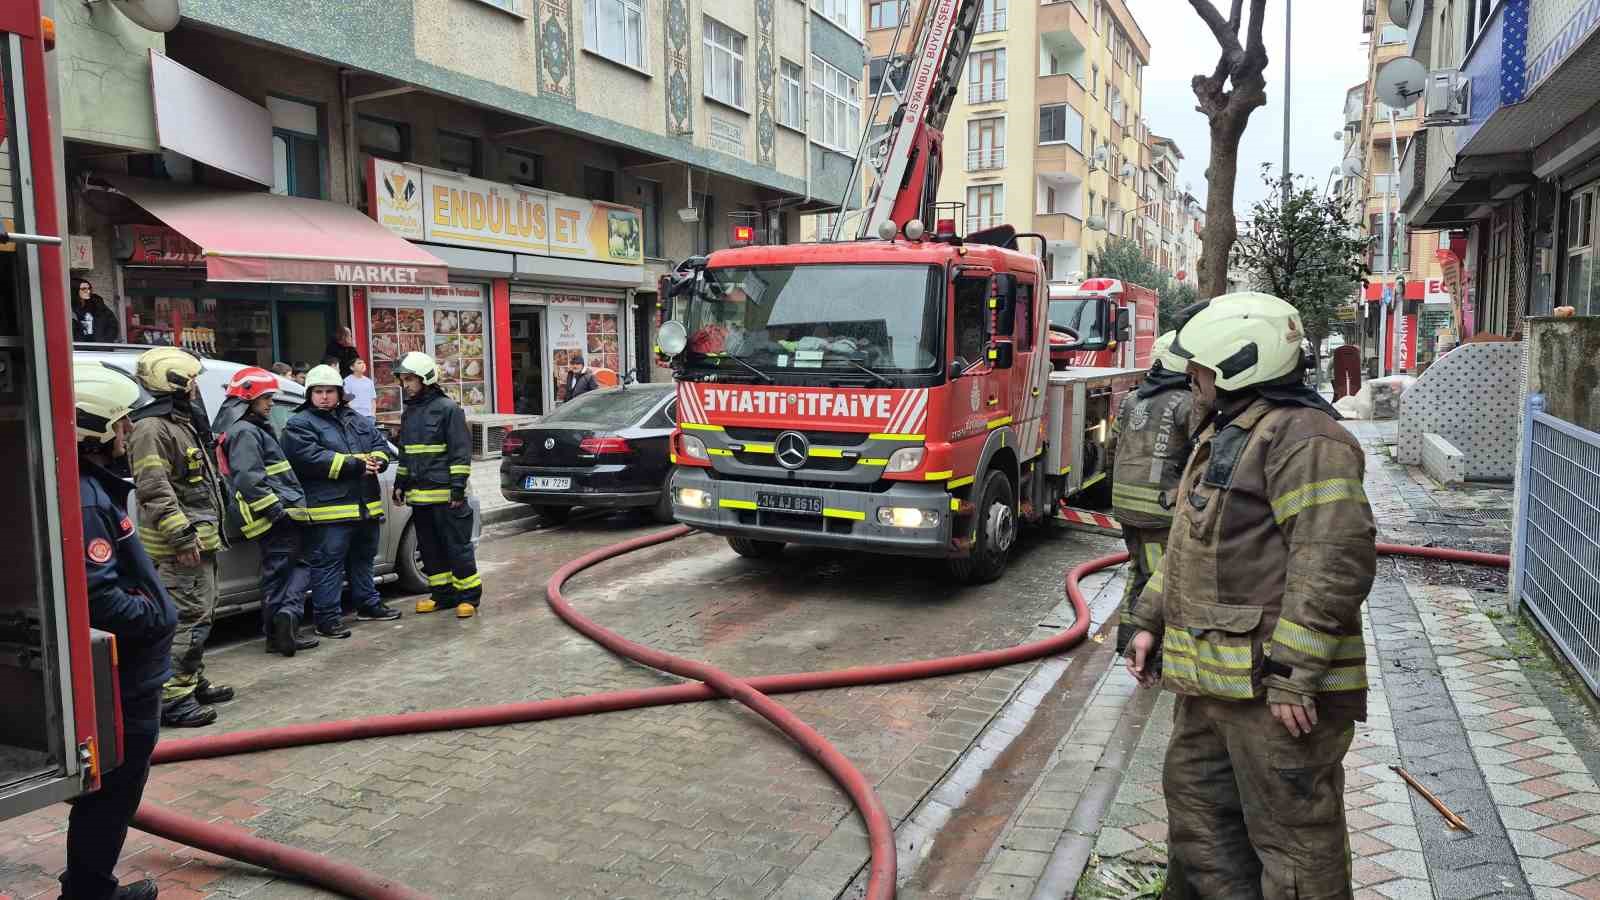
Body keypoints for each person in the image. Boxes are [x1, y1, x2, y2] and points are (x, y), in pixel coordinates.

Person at [1123, 292, 1377, 900]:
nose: (1192, 380)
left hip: (1272, 694)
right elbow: (1191, 540)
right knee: (1200, 830)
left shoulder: (1306, 441)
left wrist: (1294, 673)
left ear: (1242, 364)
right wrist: (1150, 620)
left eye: (1201, 369)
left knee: (1294, 847)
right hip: (1212, 686)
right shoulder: (1229, 431)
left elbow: (1333, 557)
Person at [63, 363, 177, 900]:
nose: (129, 433)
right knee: (111, 793)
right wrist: (156, 617)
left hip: (127, 673)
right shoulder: (88, 499)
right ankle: (88, 892)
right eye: (123, 424)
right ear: (99, 430)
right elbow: (99, 597)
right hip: (125, 678)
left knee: (108, 790)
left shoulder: (91, 487)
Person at [128, 347, 232, 728]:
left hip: (198, 542)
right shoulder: (151, 429)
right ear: (172, 383)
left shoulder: (177, 422)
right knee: (188, 619)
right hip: (181, 548)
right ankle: (175, 698)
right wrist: (182, 537)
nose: (195, 389)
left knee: (202, 614)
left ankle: (191, 678)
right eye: (190, 382)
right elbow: (154, 489)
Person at [282, 365, 402, 638]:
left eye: (330, 392)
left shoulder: (354, 418)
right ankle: (327, 620)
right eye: (319, 392)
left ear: (339, 393)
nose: (324, 397)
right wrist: (357, 464)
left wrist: (379, 461)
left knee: (363, 559)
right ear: (309, 394)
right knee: (328, 565)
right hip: (328, 512)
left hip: (365, 507)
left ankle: (368, 605)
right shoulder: (299, 424)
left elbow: (380, 445)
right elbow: (309, 458)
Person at [216, 367, 320, 657]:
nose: (271, 403)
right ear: (249, 399)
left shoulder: (246, 428)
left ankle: (279, 629)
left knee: (283, 571)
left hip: (275, 514)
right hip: (274, 516)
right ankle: (284, 622)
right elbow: (249, 479)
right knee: (290, 569)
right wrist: (276, 511)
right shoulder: (246, 431)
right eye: (266, 398)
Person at [1106, 331, 1195, 656]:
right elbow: (1200, 452)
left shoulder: (1132, 399)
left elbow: (1112, 446)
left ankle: (1127, 639)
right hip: (1159, 510)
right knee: (1160, 576)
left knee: (1138, 568)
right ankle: (1150, 651)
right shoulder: (1186, 404)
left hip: (1125, 504)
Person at [393, 352, 481, 617]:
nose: (405, 384)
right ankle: (442, 596)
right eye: (403, 379)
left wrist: (457, 487)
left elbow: (460, 452)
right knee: (430, 549)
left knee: (457, 547)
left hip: (445, 495)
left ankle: (469, 597)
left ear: (426, 378)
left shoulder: (448, 409)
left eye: (410, 379)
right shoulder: (410, 412)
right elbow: (407, 452)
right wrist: (400, 481)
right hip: (420, 497)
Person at [72, 278, 119, 343]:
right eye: (83, 289)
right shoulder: (69, 309)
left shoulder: (97, 304)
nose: (88, 291)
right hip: (80, 350)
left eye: (89, 288)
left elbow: (113, 325)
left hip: (100, 349)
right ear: (75, 290)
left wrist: (105, 342)